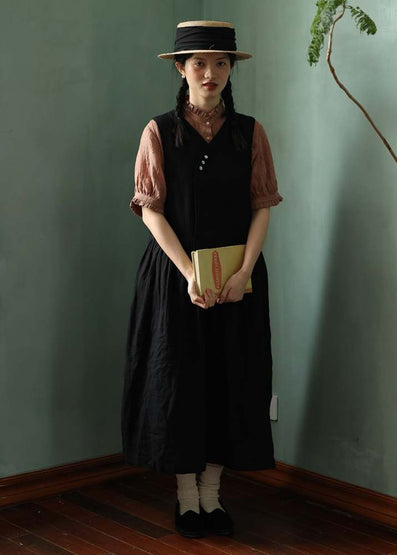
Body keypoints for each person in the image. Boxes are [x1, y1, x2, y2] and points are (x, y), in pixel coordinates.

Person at [121, 20, 283, 538]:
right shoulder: (158, 131)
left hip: (237, 279)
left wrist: (244, 271)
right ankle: (186, 498)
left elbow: (262, 206)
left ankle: (212, 495)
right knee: (180, 382)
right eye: (198, 63)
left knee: (230, 379)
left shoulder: (250, 132)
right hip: (176, 280)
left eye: (220, 63)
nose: (209, 73)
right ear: (181, 69)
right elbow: (151, 211)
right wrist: (191, 272)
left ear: (231, 68)